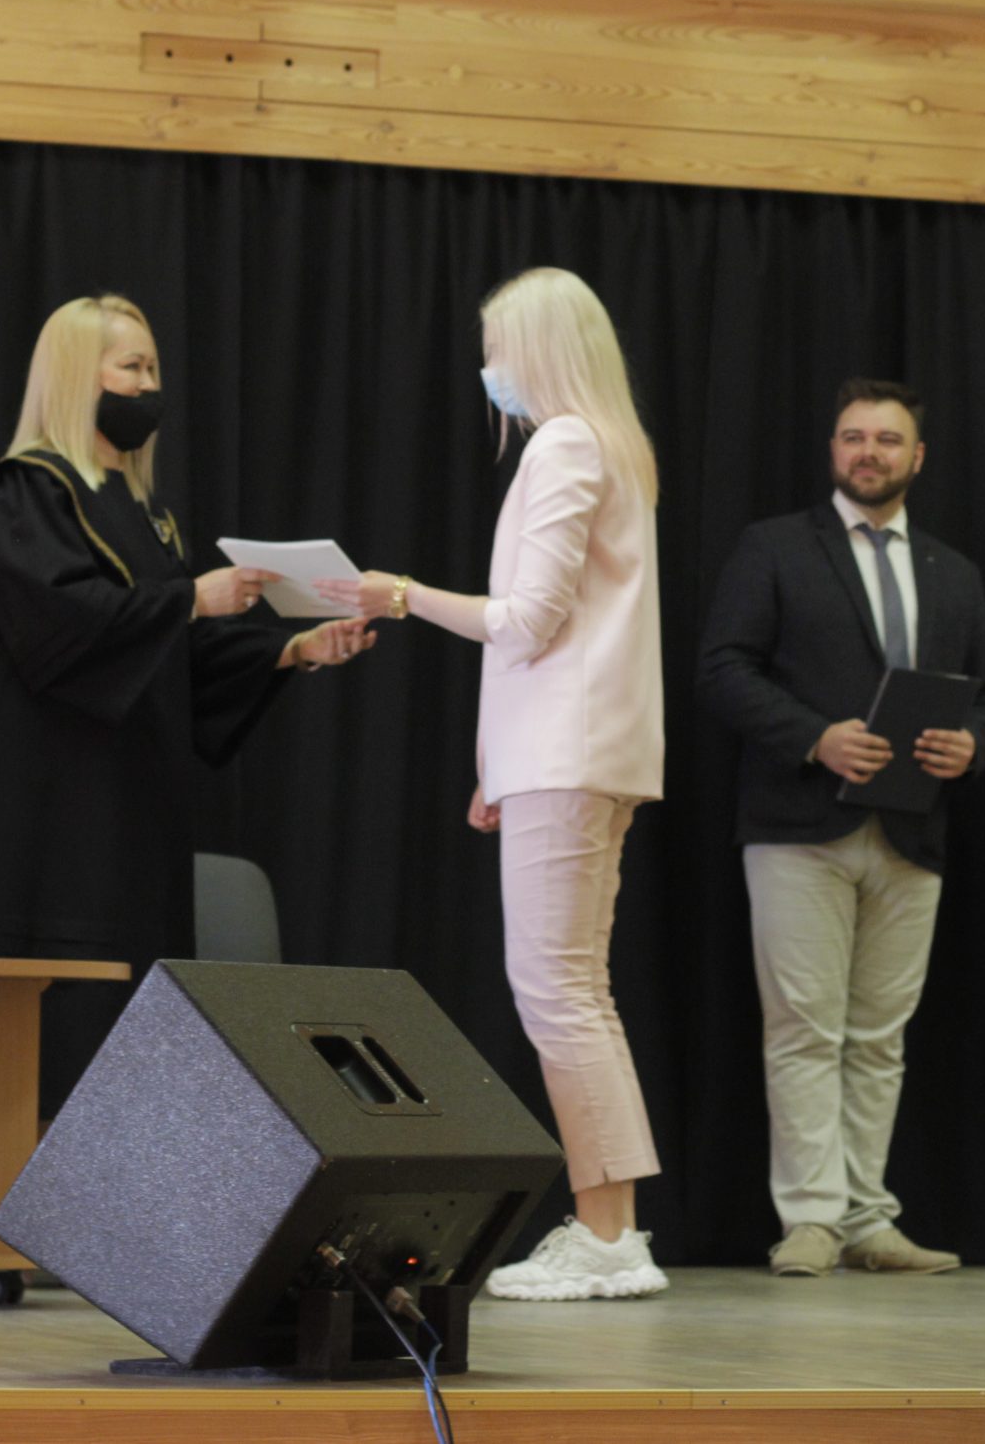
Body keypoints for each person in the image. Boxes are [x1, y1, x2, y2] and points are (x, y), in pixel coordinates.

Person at [0, 292, 373, 1113]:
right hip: (47, 801)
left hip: (134, 801)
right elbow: (61, 622)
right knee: (60, 1005)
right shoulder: (26, 490)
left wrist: (290, 648)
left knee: (138, 996)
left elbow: (170, 656)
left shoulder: (147, 514)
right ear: (76, 375)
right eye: (130, 367)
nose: (148, 386)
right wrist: (192, 599)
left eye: (153, 369)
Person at [319, 267, 668, 1303]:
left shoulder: (565, 445)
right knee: (575, 991)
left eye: (498, 349)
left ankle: (608, 1235)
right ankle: (611, 1228)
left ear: (541, 351)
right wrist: (496, 766)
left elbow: (525, 622)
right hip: (572, 754)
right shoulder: (610, 447)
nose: (489, 370)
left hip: (567, 753)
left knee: (558, 993)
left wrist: (399, 594)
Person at [695, 379, 985, 1280]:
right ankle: (811, 1220)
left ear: (919, 457)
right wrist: (815, 736)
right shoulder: (775, 547)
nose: (868, 451)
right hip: (798, 825)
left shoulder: (954, 571)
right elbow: (721, 667)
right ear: (833, 450)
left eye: (887, 438)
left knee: (878, 1038)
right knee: (803, 1028)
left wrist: (975, 746)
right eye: (852, 436)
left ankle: (870, 1219)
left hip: (915, 833)